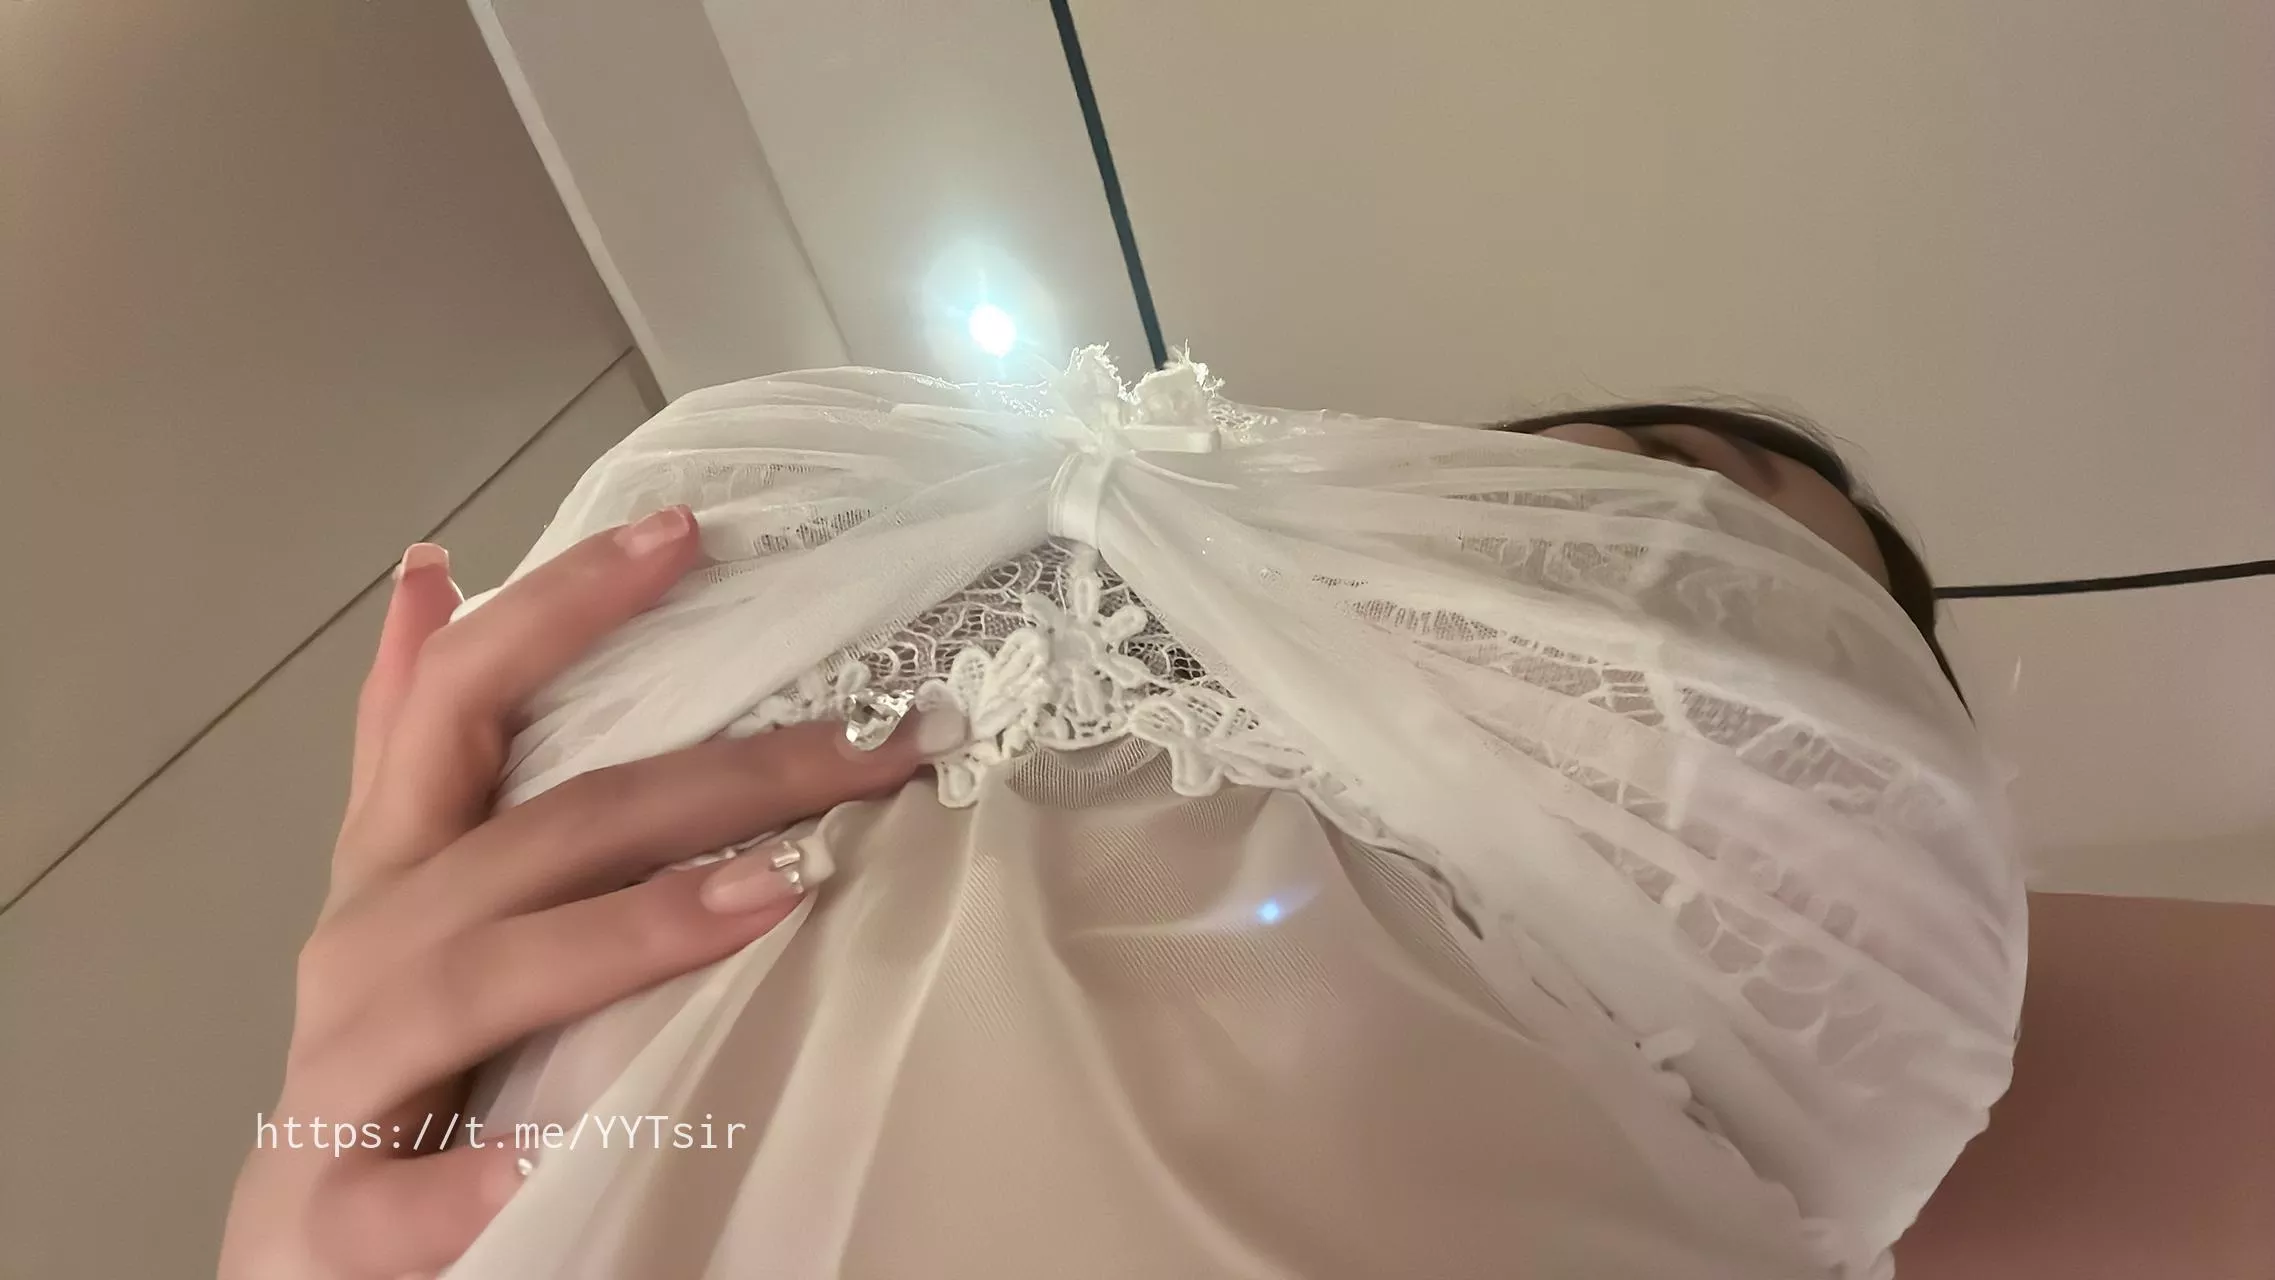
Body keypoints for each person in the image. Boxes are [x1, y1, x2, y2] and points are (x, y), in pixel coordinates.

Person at [226, 354, 2030, 1279]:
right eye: (1660, 501)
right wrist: (299, 1187)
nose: (1733, 590)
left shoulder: (1800, 1025)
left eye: (1779, 632)